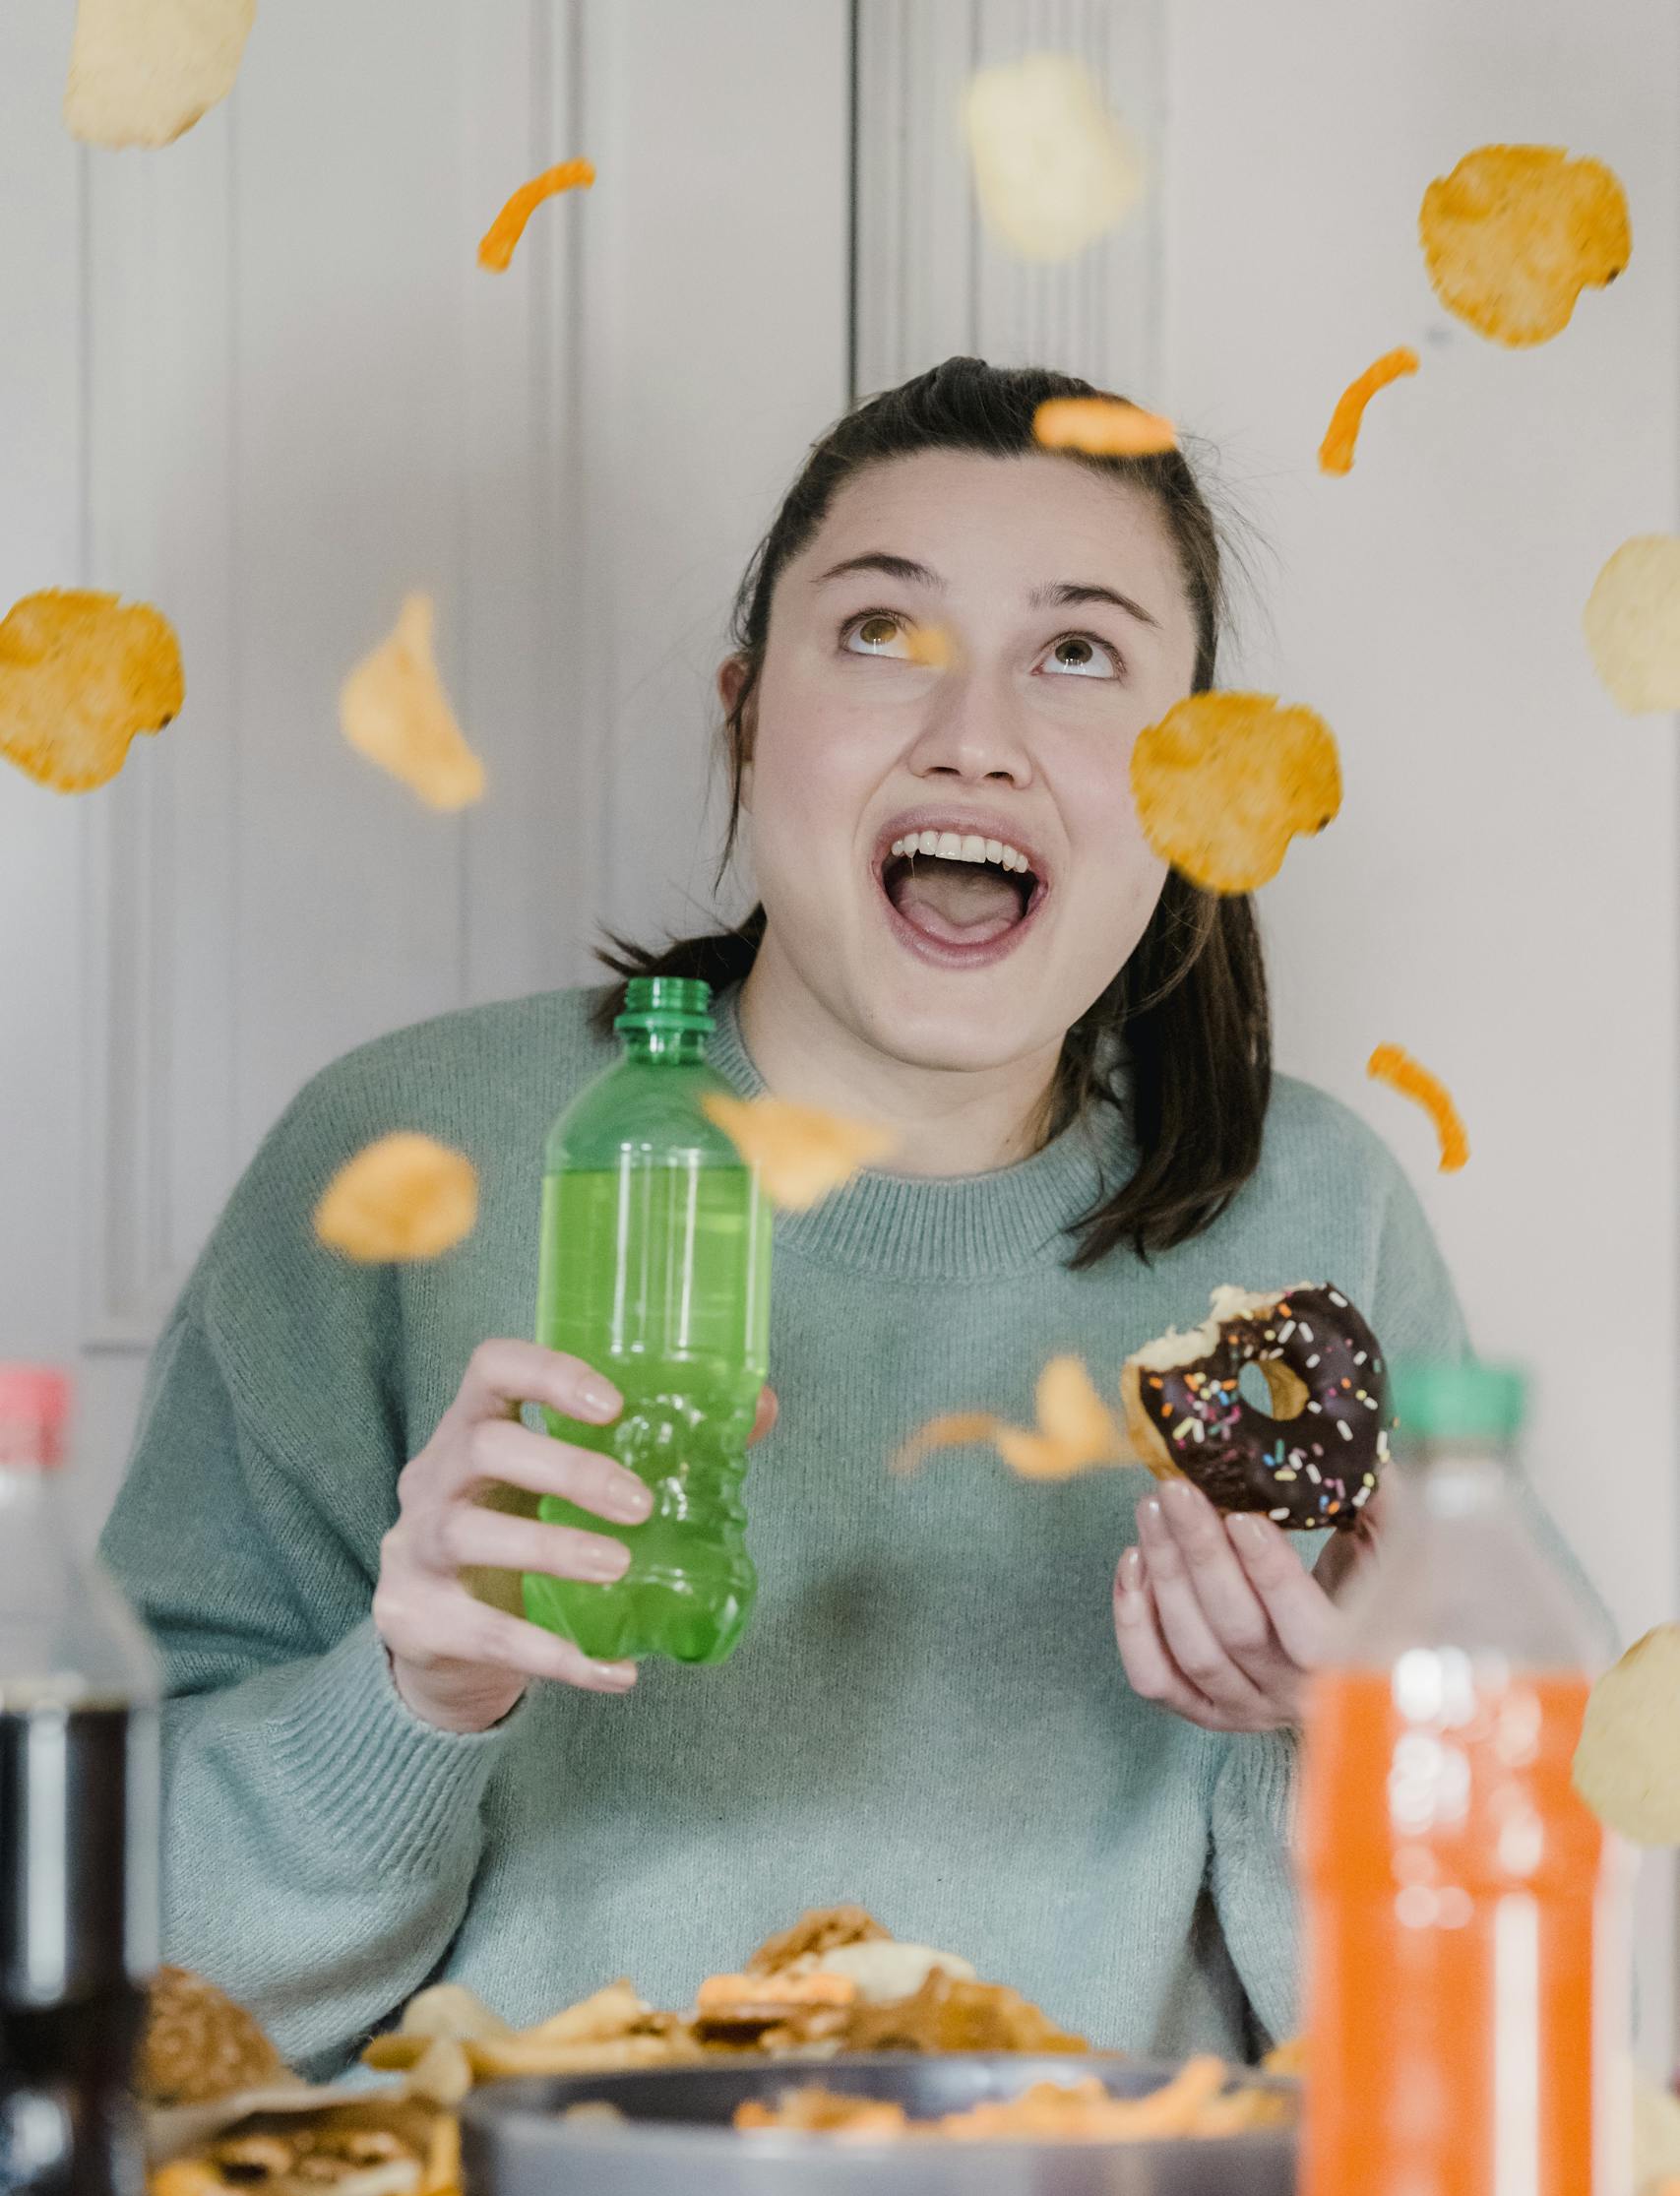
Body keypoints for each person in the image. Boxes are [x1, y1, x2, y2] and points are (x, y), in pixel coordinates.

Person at [101, 357, 1498, 2078]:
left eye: (1077, 654)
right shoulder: (402, 1158)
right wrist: (411, 1703)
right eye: (882, 634)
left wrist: (1334, 1753)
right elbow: (116, 1973)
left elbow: (1504, 2035)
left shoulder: (1319, 1215)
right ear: (745, 712)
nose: (974, 735)